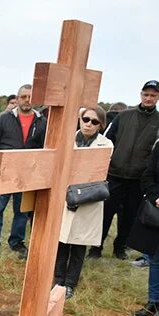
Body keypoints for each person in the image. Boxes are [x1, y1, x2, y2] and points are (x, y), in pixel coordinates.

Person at [90, 80, 159, 260]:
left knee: (129, 217)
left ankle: (120, 248)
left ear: (158, 98)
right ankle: (95, 248)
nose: (149, 98)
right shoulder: (124, 116)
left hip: (138, 180)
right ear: (140, 94)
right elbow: (105, 142)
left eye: (153, 95)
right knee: (104, 214)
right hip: (114, 175)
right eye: (146, 94)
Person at [54, 106, 113, 299]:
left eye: (94, 121)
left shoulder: (106, 145)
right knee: (62, 242)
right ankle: (58, 280)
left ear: (101, 125)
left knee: (79, 245)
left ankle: (70, 284)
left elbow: (98, 172)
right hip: (65, 196)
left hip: (88, 199)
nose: (89, 124)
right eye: (86, 119)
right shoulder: (66, 141)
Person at [0, 84, 47, 258]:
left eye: (30, 97)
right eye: (23, 96)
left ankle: (17, 242)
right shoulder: (4, 118)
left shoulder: (41, 121)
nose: (27, 100)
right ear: (17, 99)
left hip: (27, 175)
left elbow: (44, 148)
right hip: (5, 172)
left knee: (21, 211)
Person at [127, 142, 159, 316]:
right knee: (155, 259)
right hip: (157, 212)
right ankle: (153, 303)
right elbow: (148, 176)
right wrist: (156, 197)